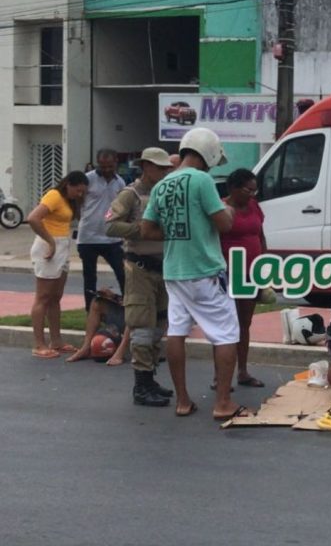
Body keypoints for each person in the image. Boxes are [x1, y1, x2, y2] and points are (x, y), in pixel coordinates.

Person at [141, 127, 251, 421]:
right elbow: (223, 224)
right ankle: (223, 402)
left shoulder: (163, 184)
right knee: (226, 333)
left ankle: (183, 401)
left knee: (177, 332)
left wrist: (178, 232)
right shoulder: (202, 180)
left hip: (174, 270)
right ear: (210, 153)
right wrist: (227, 210)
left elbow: (147, 229)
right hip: (204, 270)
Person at [105, 147, 175, 407]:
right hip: (140, 268)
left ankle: (150, 378)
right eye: (160, 167)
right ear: (146, 166)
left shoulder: (165, 193)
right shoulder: (130, 195)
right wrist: (142, 230)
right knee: (143, 327)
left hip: (163, 267)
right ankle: (141, 385)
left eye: (167, 168)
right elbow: (110, 225)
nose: (164, 171)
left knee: (158, 325)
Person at [212, 168, 267, 390]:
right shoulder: (222, 208)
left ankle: (242, 371)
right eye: (248, 190)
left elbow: (260, 235)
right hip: (228, 272)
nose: (253, 194)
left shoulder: (254, 206)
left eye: (255, 190)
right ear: (234, 189)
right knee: (225, 325)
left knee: (245, 324)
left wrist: (264, 265)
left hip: (251, 272)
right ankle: (219, 376)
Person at [27, 171, 89, 358]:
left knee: (55, 297)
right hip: (48, 247)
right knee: (43, 297)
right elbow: (33, 218)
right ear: (68, 184)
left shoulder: (68, 201)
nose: (79, 195)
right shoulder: (54, 195)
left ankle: (56, 340)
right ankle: (39, 344)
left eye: (82, 192)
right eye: (77, 190)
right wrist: (50, 242)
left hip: (62, 246)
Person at [77, 148, 126, 312]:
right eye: (103, 166)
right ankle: (90, 311)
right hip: (88, 238)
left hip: (112, 238)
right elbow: (77, 201)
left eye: (110, 166)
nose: (106, 170)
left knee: (123, 273)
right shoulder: (88, 179)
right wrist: (83, 218)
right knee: (89, 277)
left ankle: (127, 307)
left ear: (115, 163)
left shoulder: (120, 182)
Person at [66, 288, 130, 366]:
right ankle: (86, 347)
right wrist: (113, 296)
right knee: (97, 303)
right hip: (125, 307)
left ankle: (120, 352)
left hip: (142, 316)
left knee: (134, 310)